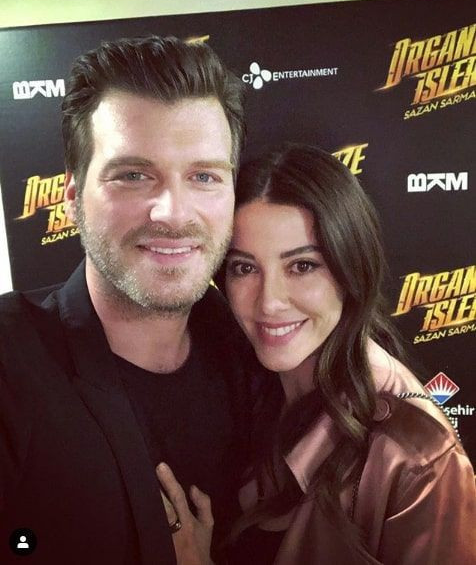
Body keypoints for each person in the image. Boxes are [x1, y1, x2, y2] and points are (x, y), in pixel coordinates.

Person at [0, 35, 250, 565]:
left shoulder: (254, 349)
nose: (172, 212)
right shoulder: (8, 358)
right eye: (133, 176)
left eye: (204, 176)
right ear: (72, 197)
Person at [164, 143, 476, 564]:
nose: (269, 302)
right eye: (245, 268)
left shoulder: (418, 457)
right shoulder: (243, 384)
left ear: (350, 269)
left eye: (302, 266)